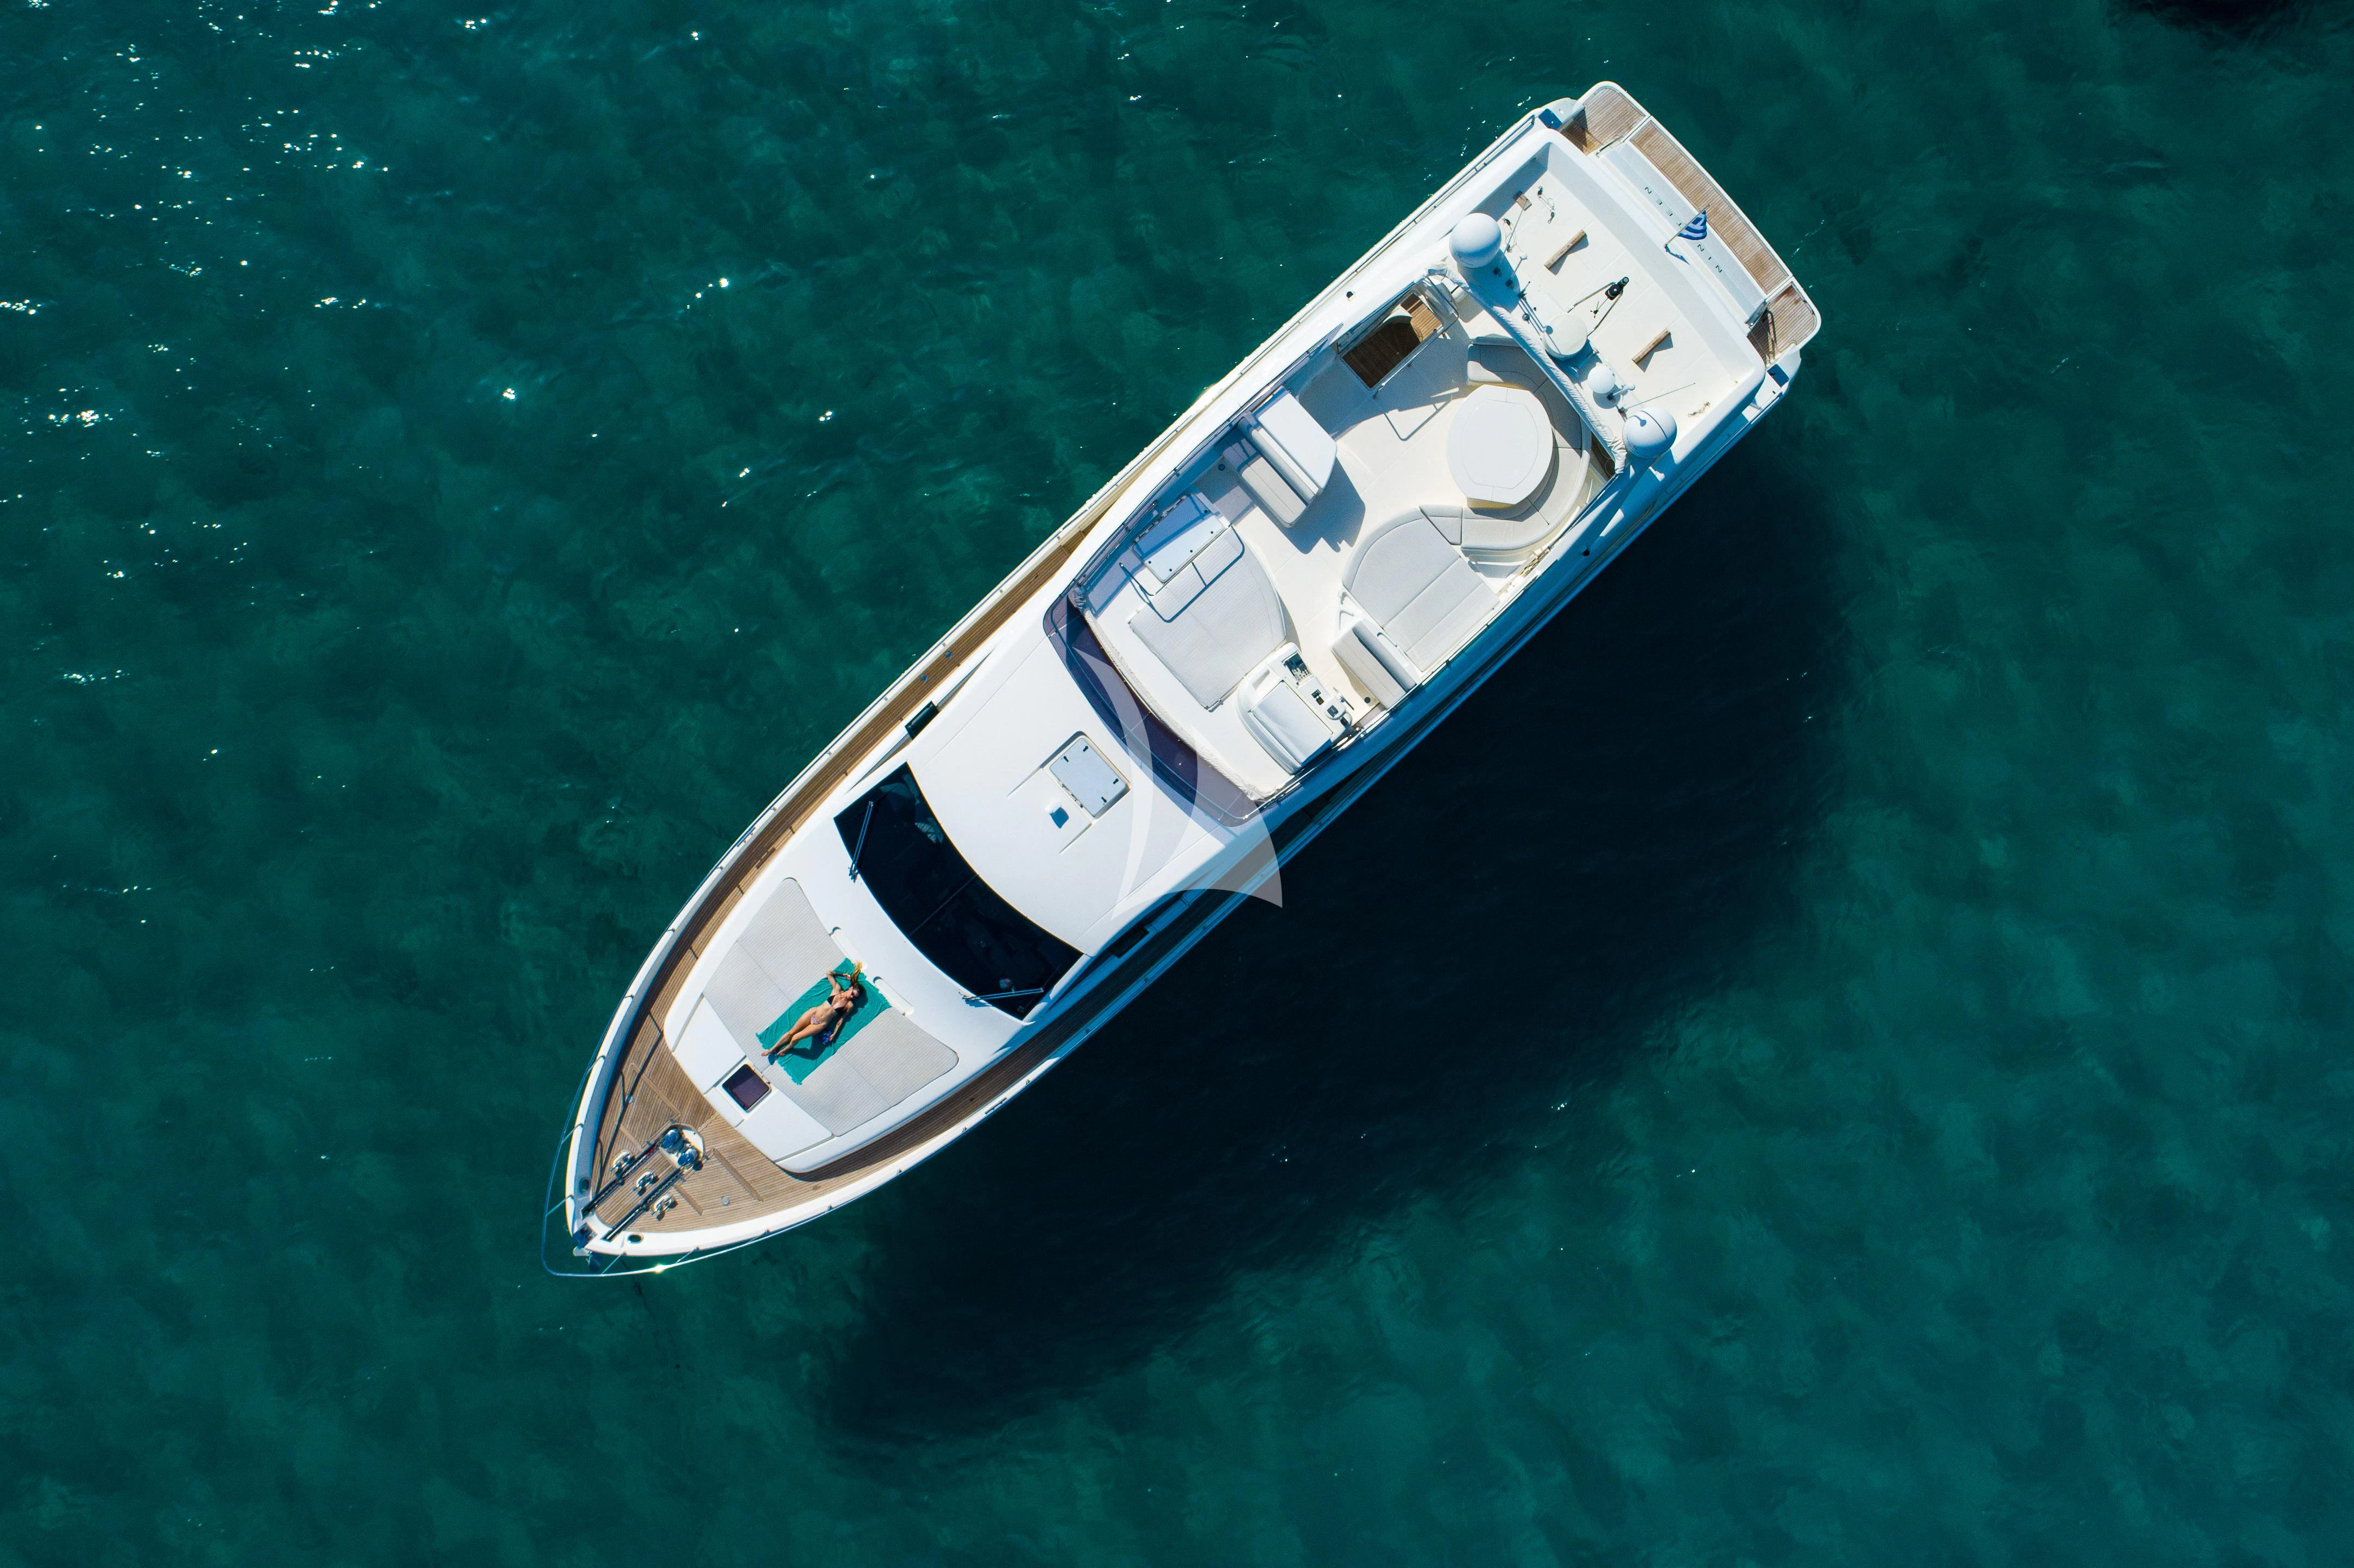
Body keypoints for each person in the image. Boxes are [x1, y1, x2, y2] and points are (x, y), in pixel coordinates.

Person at [767, 964, 866, 1060]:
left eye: (854, 997)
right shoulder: (837, 989)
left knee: (796, 1038)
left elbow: (842, 1019)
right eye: (852, 994)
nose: (852, 997)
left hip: (820, 1024)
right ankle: (772, 1049)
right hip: (813, 1013)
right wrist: (842, 974)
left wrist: (835, 1033)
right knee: (791, 1032)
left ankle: (787, 1049)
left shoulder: (850, 1005)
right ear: (851, 988)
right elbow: (829, 973)